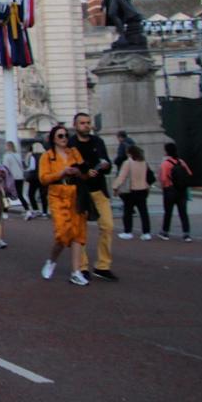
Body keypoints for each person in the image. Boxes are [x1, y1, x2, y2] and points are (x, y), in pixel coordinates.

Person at [39, 124, 89, 285]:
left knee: (77, 232)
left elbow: (84, 174)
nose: (64, 138)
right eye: (60, 136)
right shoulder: (47, 156)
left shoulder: (74, 153)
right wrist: (62, 172)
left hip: (75, 193)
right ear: (53, 138)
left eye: (66, 135)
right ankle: (51, 260)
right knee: (62, 232)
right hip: (57, 194)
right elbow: (43, 178)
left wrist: (79, 172)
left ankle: (76, 271)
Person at [71, 112, 118, 281]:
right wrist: (84, 171)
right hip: (80, 191)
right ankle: (82, 266)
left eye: (88, 122)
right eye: (82, 123)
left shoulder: (98, 142)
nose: (86, 125)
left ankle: (103, 265)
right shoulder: (71, 144)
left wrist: (105, 165)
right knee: (80, 230)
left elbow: (106, 163)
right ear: (75, 125)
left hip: (99, 189)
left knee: (108, 226)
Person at [112, 144, 153, 240]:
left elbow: (122, 177)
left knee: (128, 212)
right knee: (143, 212)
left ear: (129, 153)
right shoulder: (144, 162)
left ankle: (128, 231)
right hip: (143, 189)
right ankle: (146, 232)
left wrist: (115, 186)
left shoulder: (128, 163)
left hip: (131, 190)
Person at [157, 142, 194, 241]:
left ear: (166, 151)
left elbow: (163, 178)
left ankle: (165, 232)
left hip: (169, 190)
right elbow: (189, 173)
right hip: (182, 190)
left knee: (168, 212)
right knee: (183, 213)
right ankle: (186, 234)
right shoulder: (181, 162)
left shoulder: (165, 163)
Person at [2, 141, 27, 212]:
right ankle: (27, 209)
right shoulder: (18, 155)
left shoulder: (6, 156)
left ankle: (5, 209)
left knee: (5, 194)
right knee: (20, 194)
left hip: (11, 178)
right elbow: (22, 166)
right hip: (20, 177)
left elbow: (5, 168)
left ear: (8, 147)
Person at [24, 144, 48, 219]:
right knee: (43, 195)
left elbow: (32, 167)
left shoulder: (33, 156)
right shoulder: (45, 155)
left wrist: (26, 170)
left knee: (31, 194)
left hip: (34, 177)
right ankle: (45, 212)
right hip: (43, 176)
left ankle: (36, 209)